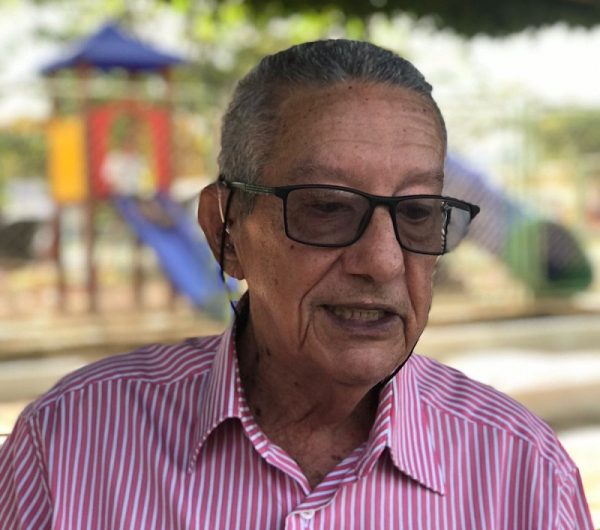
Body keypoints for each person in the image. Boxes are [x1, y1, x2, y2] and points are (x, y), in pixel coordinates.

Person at [0, 40, 593, 530]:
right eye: (327, 208)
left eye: (417, 213)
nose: (382, 262)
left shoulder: (522, 472)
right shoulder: (70, 444)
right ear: (225, 231)